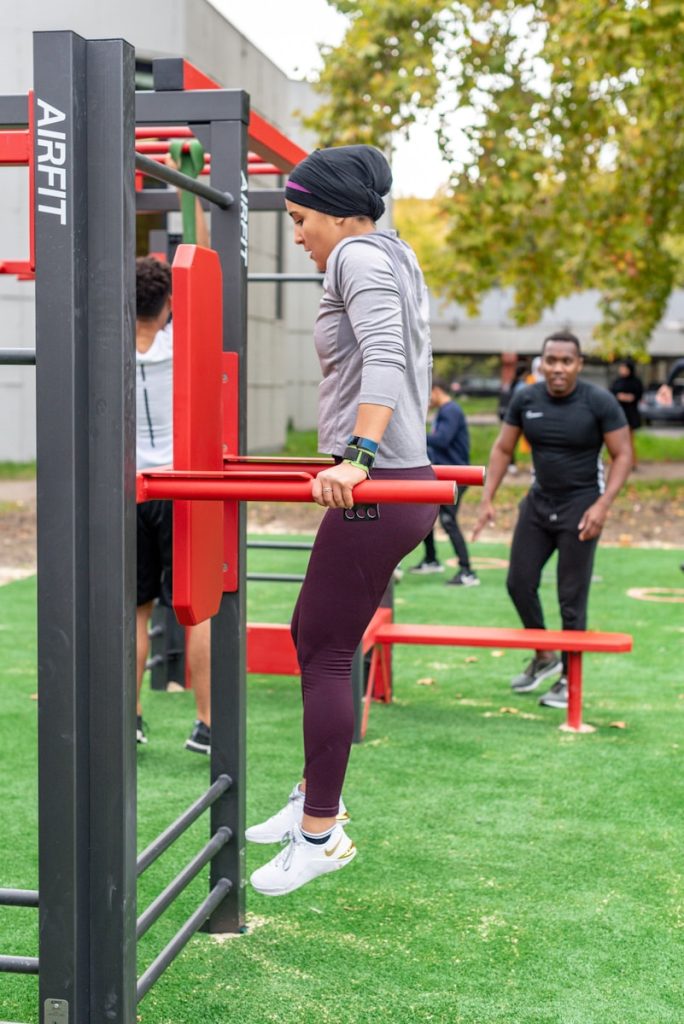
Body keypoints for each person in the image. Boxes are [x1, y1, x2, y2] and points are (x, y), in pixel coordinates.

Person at [247, 145, 438, 897]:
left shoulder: (355, 256)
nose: (297, 235)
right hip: (398, 482)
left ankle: (322, 832)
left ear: (333, 211)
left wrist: (358, 455)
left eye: (299, 219)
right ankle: (311, 799)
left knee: (323, 648)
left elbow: (388, 356)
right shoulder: (392, 252)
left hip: (380, 483)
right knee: (312, 635)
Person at [472, 331, 632, 709]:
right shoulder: (526, 398)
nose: (558, 368)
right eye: (551, 361)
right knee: (518, 582)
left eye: (566, 361)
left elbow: (623, 455)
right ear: (541, 364)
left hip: (581, 508)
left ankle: (568, 681)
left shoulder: (599, 401)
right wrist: (486, 497)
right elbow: (503, 447)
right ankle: (545, 655)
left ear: (579, 364)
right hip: (539, 503)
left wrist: (603, 504)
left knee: (570, 599)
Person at [135, 252, 213, 754]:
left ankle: (133, 718)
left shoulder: (109, 348)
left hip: (133, 490)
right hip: (178, 487)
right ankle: (206, 722)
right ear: (168, 304)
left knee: (135, 613)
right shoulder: (180, 345)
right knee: (199, 610)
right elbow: (203, 276)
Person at [409, 376, 479, 586]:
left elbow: (442, 440)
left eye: (428, 394)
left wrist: (414, 436)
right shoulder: (444, 411)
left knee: (448, 521)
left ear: (437, 390)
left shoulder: (450, 411)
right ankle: (431, 559)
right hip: (442, 475)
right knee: (427, 515)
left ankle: (467, 572)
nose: (426, 400)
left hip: (456, 476)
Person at [609, 357, 643, 471]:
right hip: (618, 414)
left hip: (630, 415)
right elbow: (611, 394)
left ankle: (632, 463)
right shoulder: (617, 381)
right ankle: (617, 463)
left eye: (624, 368)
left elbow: (639, 394)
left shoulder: (636, 382)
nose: (622, 370)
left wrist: (629, 397)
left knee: (630, 440)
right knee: (616, 440)